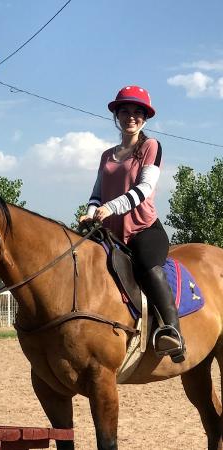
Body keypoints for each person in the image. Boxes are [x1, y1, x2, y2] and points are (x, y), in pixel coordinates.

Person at [79, 85, 185, 363]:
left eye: (137, 112)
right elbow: (96, 194)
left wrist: (109, 208)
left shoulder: (150, 147)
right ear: (117, 115)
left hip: (143, 230)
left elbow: (145, 188)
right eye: (125, 110)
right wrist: (91, 213)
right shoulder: (106, 155)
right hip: (111, 234)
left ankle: (172, 330)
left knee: (149, 267)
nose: (131, 116)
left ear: (145, 118)